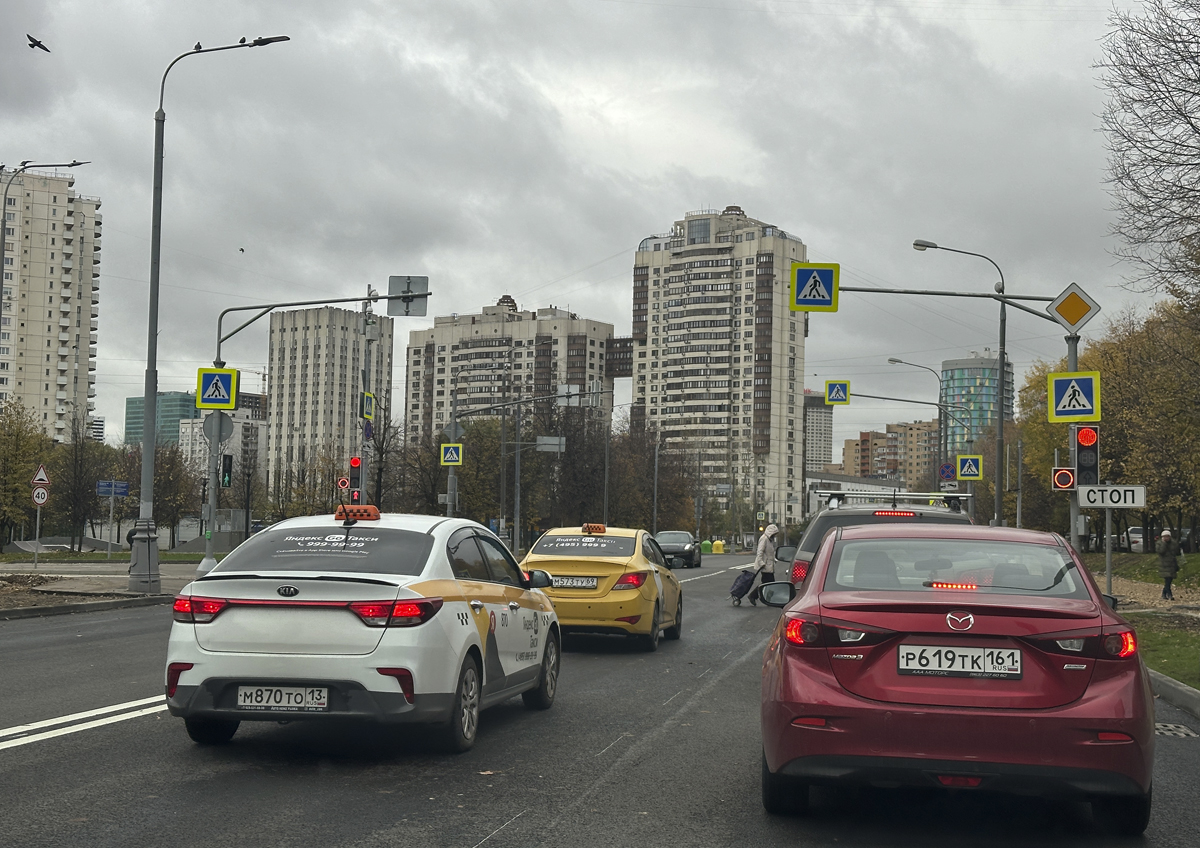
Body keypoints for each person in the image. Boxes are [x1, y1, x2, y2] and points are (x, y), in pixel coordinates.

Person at [748, 523, 779, 606]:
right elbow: (760, 552)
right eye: (774, 534)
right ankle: (756, 597)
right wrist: (761, 563)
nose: (775, 536)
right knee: (769, 583)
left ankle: (760, 597)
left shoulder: (769, 540)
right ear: (771, 532)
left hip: (769, 565)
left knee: (767, 583)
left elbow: (770, 553)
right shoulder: (764, 539)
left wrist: (774, 559)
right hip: (765, 565)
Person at [1157, 530, 1181, 601]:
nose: (1166, 538)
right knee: (1167, 580)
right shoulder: (1159, 543)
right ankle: (1169, 594)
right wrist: (1164, 544)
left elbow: (1176, 552)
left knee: (1169, 580)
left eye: (1167, 536)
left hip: (1172, 564)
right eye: (1165, 536)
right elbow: (1161, 551)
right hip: (1164, 564)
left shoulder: (1173, 543)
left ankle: (1164, 594)